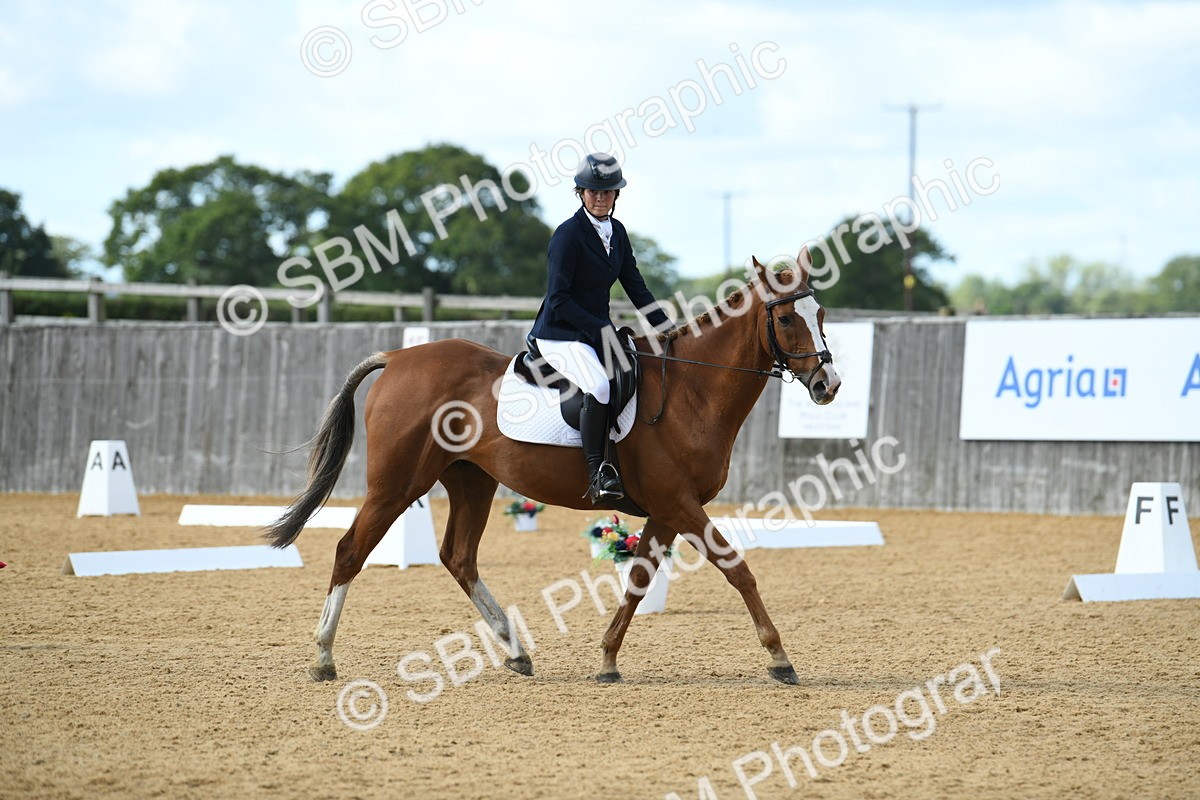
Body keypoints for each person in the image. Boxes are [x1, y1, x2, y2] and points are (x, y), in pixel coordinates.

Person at [529, 153, 672, 505]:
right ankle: (598, 472)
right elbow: (559, 300)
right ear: (581, 193)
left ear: (616, 195)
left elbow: (636, 287)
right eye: (593, 191)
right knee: (599, 385)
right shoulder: (567, 235)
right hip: (560, 333)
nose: (600, 197)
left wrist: (669, 329)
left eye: (607, 191)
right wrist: (601, 329)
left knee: (636, 372)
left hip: (594, 332)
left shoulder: (617, 233)